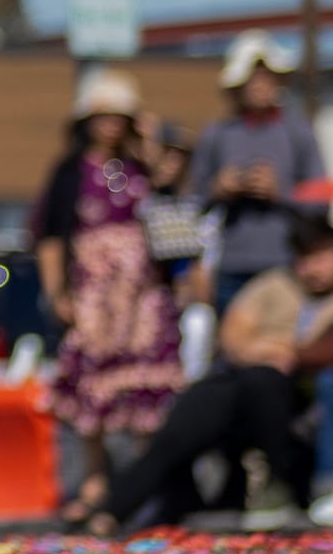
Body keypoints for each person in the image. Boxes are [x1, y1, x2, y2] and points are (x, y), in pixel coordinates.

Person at [66, 204, 333, 532]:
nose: (311, 268)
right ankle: (116, 510)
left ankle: (277, 488)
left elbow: (320, 352)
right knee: (200, 404)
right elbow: (234, 338)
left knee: (262, 382)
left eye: (320, 256)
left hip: (298, 396)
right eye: (303, 258)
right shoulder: (275, 285)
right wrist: (274, 351)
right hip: (242, 387)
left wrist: (285, 351)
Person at [34, 68, 183, 488]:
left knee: (144, 385)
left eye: (120, 117)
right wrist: (56, 291)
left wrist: (150, 144)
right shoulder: (70, 172)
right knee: (93, 384)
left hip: (142, 295)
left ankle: (143, 483)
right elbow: (51, 236)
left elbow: (171, 207)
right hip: (94, 294)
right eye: (104, 116)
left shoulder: (142, 168)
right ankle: (95, 480)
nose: (111, 125)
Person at [190, 35, 325, 317]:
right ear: (238, 86)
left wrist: (281, 192)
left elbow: (321, 200)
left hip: (286, 263)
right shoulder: (218, 134)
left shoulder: (297, 133)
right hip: (231, 265)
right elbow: (193, 202)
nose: (261, 86)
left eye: (268, 78)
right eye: (254, 79)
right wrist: (219, 189)